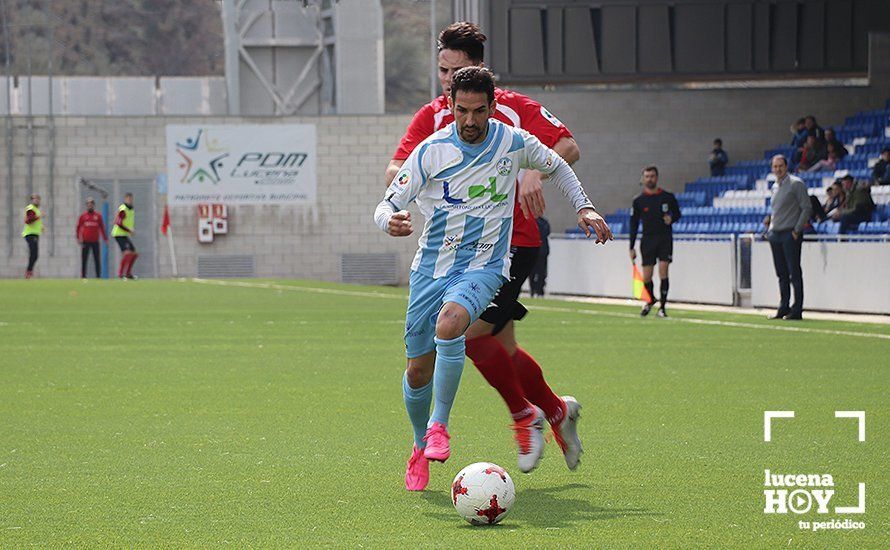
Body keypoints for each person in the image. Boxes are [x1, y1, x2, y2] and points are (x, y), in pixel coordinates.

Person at [376, 67, 611, 491]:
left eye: (479, 111)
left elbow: (560, 165)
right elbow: (387, 201)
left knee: (453, 325)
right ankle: (419, 445)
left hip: (485, 265)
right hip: (431, 268)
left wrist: (585, 207)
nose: (470, 120)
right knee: (416, 373)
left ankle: (439, 427)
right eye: (462, 110)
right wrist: (388, 220)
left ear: (493, 107)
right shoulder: (432, 150)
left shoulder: (513, 141)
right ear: (449, 106)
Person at [762, 155, 811, 320]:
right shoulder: (775, 186)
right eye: (775, 167)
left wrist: (797, 230)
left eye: (780, 166)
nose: (777, 169)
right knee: (781, 274)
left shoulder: (796, 184)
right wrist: (770, 228)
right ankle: (784, 306)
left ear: (786, 166)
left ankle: (797, 309)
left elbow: (806, 208)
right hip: (776, 234)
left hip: (790, 233)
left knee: (794, 273)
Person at [629, 166, 681, 317]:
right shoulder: (638, 200)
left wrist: (671, 218)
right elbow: (634, 225)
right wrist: (631, 247)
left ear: (657, 177)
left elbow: (677, 213)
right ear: (643, 179)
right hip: (647, 240)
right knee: (647, 276)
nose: (650, 179)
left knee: (663, 271)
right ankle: (651, 299)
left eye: (652, 176)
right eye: (647, 176)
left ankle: (663, 307)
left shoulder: (667, 197)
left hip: (664, 238)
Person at [76, 197, 108, 278]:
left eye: (91, 204)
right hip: (85, 241)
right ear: (86, 205)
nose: (90, 205)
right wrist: (78, 237)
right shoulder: (83, 216)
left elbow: (102, 228)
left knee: (97, 259)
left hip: (95, 241)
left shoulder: (98, 216)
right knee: (84, 259)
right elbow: (78, 227)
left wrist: (105, 239)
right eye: (88, 204)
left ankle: (98, 276)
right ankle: (83, 276)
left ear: (93, 205)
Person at [111, 193, 139, 279]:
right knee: (127, 253)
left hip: (124, 234)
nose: (130, 200)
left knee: (134, 254)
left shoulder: (131, 209)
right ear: (125, 199)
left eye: (131, 199)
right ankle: (120, 274)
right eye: (128, 199)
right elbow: (118, 223)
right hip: (118, 234)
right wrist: (129, 230)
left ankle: (128, 273)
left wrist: (129, 231)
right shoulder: (123, 209)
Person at [22, 194, 42, 279]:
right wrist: (38, 217)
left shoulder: (36, 209)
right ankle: (28, 271)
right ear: (32, 200)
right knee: (34, 254)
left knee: (35, 254)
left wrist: (41, 227)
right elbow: (28, 220)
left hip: (35, 233)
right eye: (35, 199)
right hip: (30, 234)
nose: (36, 201)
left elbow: (35, 221)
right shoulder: (31, 209)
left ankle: (29, 271)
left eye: (38, 199)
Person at [529, 216, 550, 297]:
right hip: (533, 251)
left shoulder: (544, 222)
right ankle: (533, 290)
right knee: (532, 273)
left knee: (542, 273)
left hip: (542, 251)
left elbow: (545, 233)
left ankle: (540, 291)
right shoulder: (531, 221)